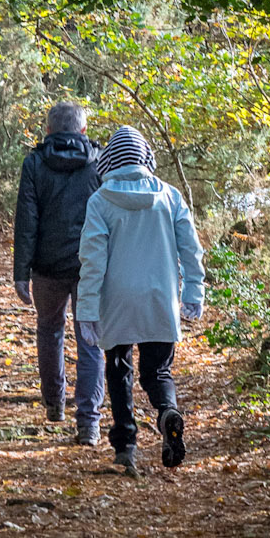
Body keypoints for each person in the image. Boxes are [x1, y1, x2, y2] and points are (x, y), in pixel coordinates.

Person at [75, 126, 204, 479]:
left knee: (118, 370)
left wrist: (86, 311)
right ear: (146, 159)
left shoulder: (100, 201)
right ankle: (167, 412)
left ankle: (125, 447)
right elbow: (191, 250)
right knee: (157, 371)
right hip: (161, 299)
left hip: (116, 301)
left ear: (109, 162)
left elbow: (93, 261)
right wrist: (193, 292)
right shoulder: (170, 196)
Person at [12, 102, 106, 441]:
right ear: (82, 130)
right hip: (89, 267)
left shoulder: (35, 163)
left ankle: (54, 403)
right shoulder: (98, 160)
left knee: (49, 330)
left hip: (47, 268)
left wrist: (21, 272)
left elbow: (27, 221)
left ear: (48, 130)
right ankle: (89, 422)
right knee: (90, 341)